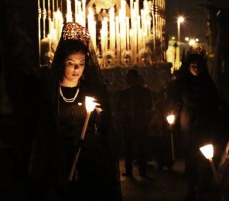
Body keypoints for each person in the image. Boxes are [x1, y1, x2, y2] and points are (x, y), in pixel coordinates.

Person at [29, 22, 122, 201]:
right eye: (71, 63)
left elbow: (104, 130)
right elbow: (42, 129)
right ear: (61, 63)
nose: (76, 69)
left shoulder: (90, 91)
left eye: (81, 63)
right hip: (57, 159)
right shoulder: (50, 94)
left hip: (88, 160)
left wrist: (101, 116)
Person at [169, 45, 229, 201]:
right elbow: (176, 101)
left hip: (205, 123)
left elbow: (215, 101)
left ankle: (203, 187)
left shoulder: (207, 83)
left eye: (199, 66)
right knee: (190, 155)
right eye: (193, 66)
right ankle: (191, 188)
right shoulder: (183, 83)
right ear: (188, 66)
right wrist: (173, 115)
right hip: (188, 122)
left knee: (204, 156)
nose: (196, 68)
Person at [117, 68, 153, 177]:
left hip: (140, 122)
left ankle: (142, 170)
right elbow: (119, 106)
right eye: (128, 78)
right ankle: (129, 170)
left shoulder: (145, 92)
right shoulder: (124, 93)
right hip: (128, 122)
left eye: (131, 78)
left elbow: (149, 106)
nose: (130, 80)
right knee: (128, 147)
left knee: (141, 146)